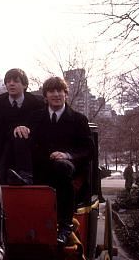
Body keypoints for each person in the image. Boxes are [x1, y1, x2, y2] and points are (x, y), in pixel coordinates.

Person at [29, 76, 94, 246]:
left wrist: (67, 155)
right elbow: (31, 145)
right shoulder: (36, 117)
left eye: (60, 91)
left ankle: (65, 225)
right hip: (42, 167)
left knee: (61, 167)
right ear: (45, 96)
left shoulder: (79, 119)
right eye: (51, 91)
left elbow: (88, 150)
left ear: (66, 94)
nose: (56, 94)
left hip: (70, 169)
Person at [0, 68, 44, 184]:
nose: (11, 84)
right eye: (8, 81)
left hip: (30, 144)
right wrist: (13, 130)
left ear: (24, 85)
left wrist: (25, 129)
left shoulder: (37, 102)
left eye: (16, 81)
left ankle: (26, 175)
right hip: (3, 143)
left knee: (20, 135)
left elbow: (40, 126)